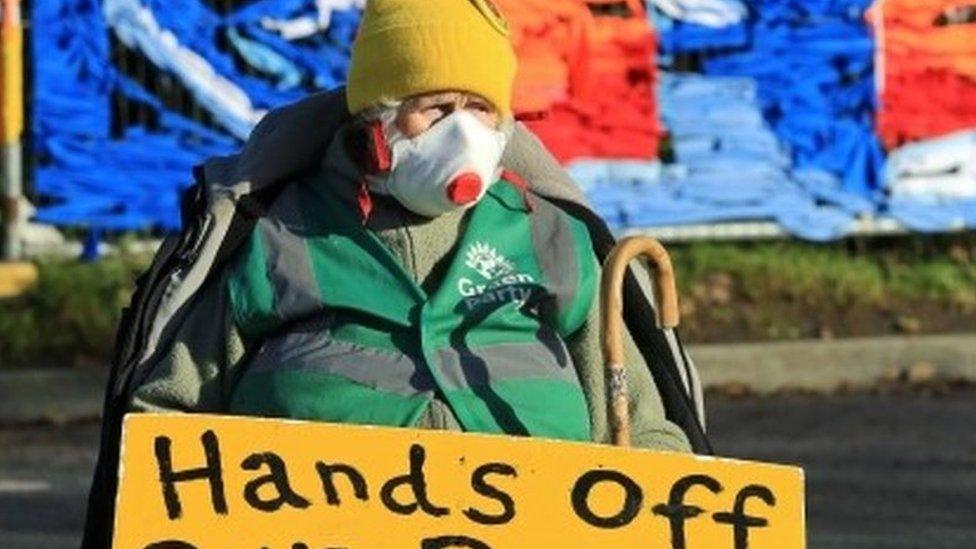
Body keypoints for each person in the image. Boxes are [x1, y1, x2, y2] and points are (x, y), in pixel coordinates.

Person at [83, 1, 708, 545]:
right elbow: (167, 421)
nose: (463, 133)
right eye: (434, 108)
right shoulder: (275, 231)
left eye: (481, 109)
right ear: (375, 119)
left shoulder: (555, 237)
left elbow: (649, 427)